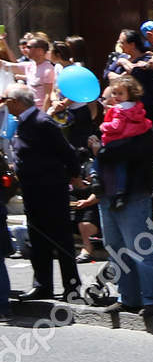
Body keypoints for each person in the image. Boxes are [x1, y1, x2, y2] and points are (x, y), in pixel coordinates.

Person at [3, 82, 83, 302]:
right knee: (38, 239)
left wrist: (74, 176)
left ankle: (72, 287)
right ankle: (43, 285)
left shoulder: (41, 122)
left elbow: (67, 152)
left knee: (61, 238)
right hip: (32, 190)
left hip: (50, 190)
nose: (4, 104)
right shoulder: (23, 122)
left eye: (6, 100)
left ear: (16, 102)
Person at [93, 86, 153, 315]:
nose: (111, 101)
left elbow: (131, 152)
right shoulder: (108, 125)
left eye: (116, 96)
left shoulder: (141, 125)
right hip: (108, 194)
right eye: (108, 98)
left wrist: (100, 151)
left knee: (140, 250)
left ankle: (152, 300)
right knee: (114, 248)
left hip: (133, 195)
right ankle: (128, 298)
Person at [97, 75, 152, 210]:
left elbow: (116, 126)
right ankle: (119, 191)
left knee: (99, 157)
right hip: (129, 141)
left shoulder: (119, 110)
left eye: (120, 93)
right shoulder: (136, 108)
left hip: (117, 142)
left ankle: (95, 178)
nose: (116, 96)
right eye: (114, 93)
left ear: (131, 94)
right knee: (120, 168)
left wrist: (104, 126)